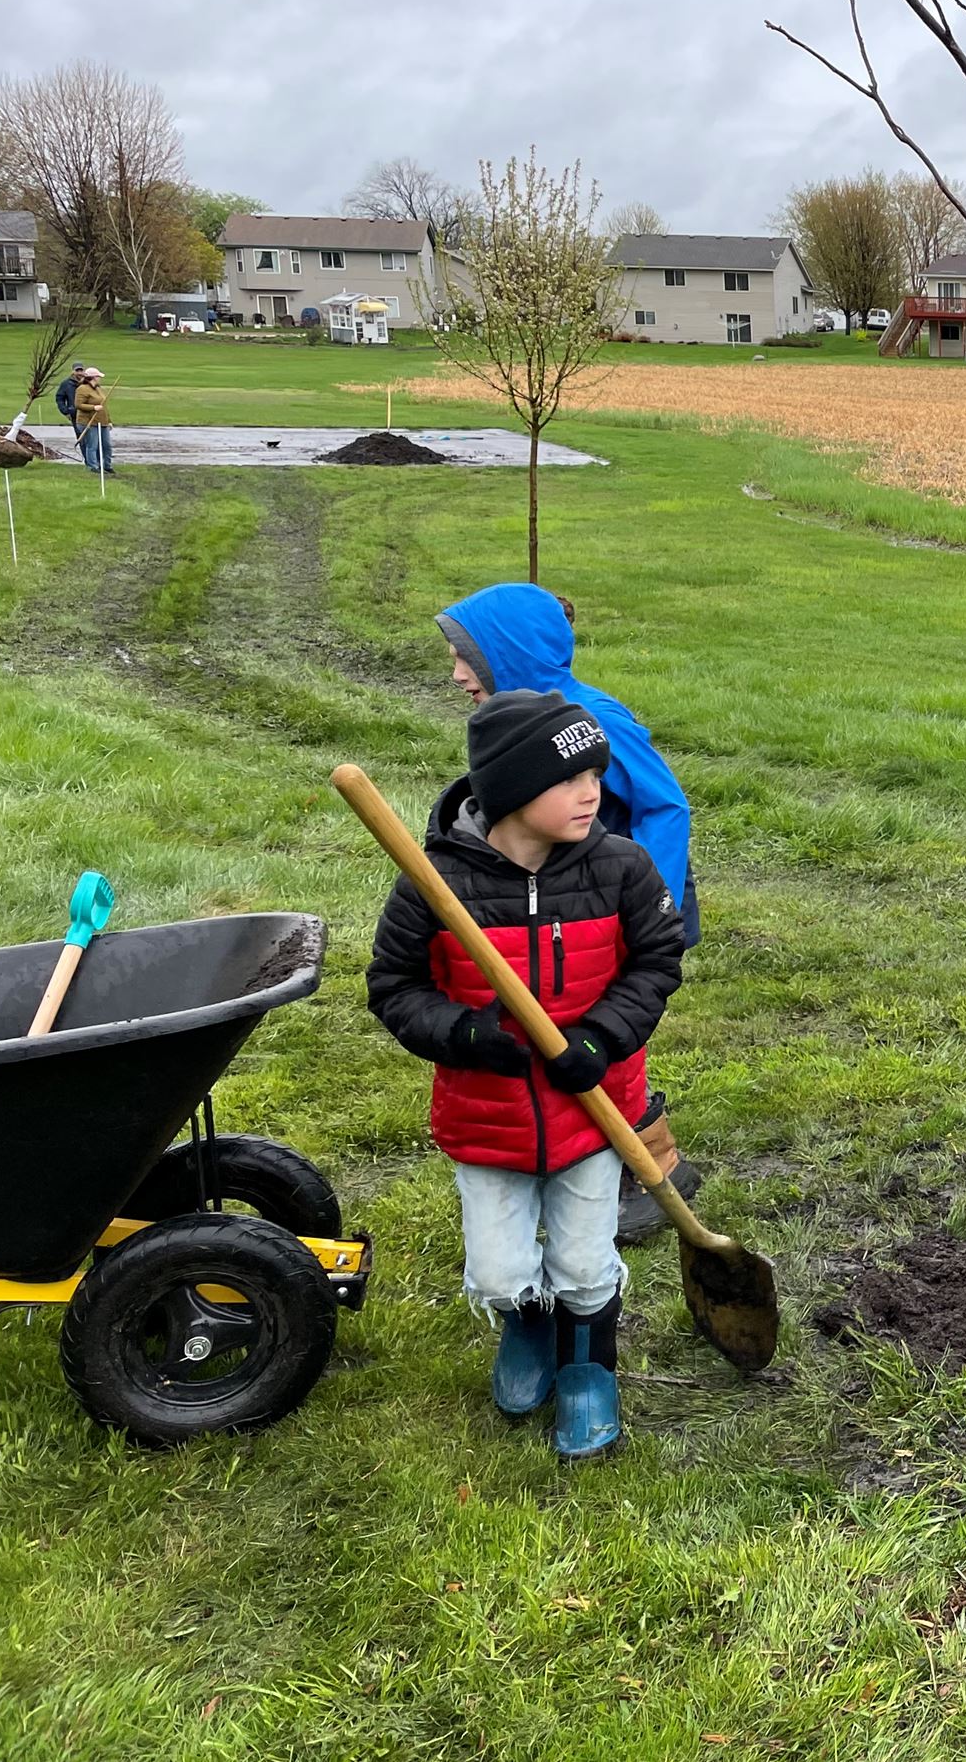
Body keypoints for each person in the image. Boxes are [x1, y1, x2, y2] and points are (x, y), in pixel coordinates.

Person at [366, 690, 687, 1458]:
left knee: (583, 1259)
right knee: (501, 1268)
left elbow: (657, 962)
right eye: (571, 779)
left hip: (591, 1106)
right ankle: (526, 1325)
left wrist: (604, 1039)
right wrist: (466, 1033)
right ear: (510, 791)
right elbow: (392, 986)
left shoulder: (620, 869)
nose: (592, 793)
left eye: (596, 776)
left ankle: (588, 1370)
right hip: (489, 1112)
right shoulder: (434, 883)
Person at [435, 583, 705, 1244]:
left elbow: (666, 806)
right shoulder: (527, 721)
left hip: (626, 913)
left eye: (465, 657)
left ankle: (656, 1171)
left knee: (612, 1043)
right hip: (569, 913)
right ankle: (610, 1160)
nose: (456, 674)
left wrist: (652, 908)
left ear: (507, 652)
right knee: (572, 1039)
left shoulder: (592, 717)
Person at [72, 366, 116, 475]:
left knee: (107, 445)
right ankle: (93, 466)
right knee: (92, 445)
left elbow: (104, 406)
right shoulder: (82, 389)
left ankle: (107, 466)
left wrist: (109, 420)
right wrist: (93, 407)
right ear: (92, 377)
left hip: (102, 422)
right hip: (88, 422)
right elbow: (78, 405)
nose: (100, 378)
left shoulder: (98, 388)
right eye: (98, 376)